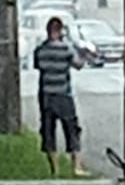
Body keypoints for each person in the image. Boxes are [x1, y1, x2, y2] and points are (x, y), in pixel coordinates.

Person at [32, 16, 87, 176]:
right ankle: (76, 166)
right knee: (71, 129)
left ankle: (54, 169)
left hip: (46, 95)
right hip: (63, 94)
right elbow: (78, 65)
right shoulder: (66, 49)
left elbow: (38, 66)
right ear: (60, 31)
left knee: (48, 131)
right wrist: (82, 53)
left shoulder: (41, 50)